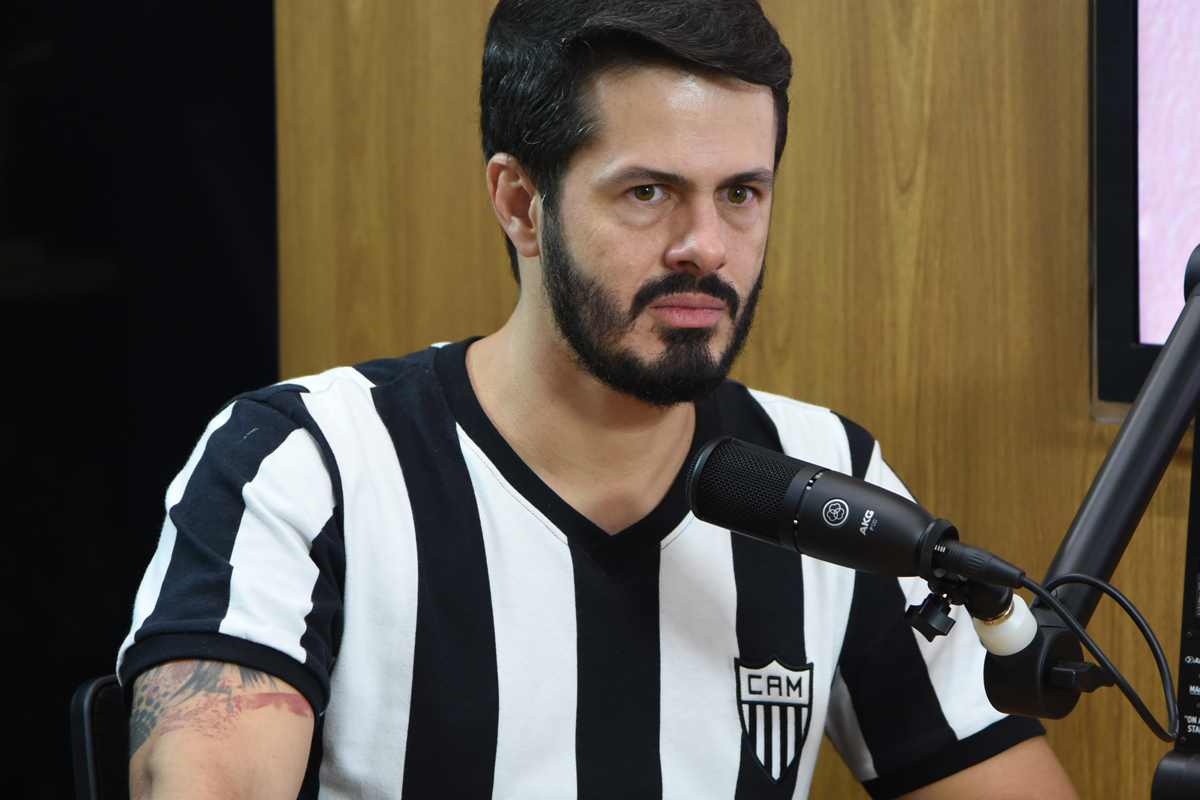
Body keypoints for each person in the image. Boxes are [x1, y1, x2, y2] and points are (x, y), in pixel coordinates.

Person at [118, 1, 1080, 798]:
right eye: (649, 192)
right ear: (520, 202)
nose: (706, 244)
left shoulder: (826, 478)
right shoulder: (308, 463)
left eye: (741, 192)